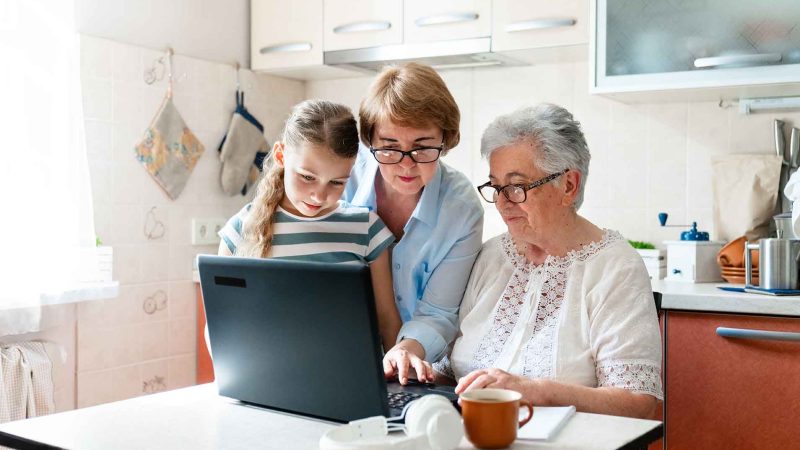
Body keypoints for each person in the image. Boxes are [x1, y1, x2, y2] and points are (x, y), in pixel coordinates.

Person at [437, 103, 662, 419]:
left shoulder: (615, 267)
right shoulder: (491, 257)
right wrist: (422, 371)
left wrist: (537, 391)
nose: (502, 203)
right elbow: (452, 368)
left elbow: (637, 403)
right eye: (496, 186)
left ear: (568, 185)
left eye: (517, 186)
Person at [218, 99, 401, 348]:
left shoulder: (367, 229)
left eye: (336, 182)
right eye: (307, 177)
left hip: (350, 380)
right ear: (281, 155)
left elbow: (388, 322)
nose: (319, 195)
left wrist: (396, 384)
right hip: (268, 380)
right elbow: (221, 325)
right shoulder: (240, 230)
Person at [344, 63, 484, 384]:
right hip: (340, 353)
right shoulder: (342, 179)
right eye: (390, 147)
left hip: (414, 369)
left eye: (422, 147)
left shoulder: (461, 211)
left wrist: (405, 350)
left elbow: (438, 313)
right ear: (371, 140)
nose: (406, 165)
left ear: (445, 139)